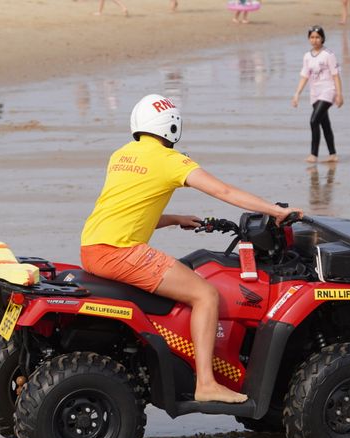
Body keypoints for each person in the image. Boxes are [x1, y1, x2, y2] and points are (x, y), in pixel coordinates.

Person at [80, 94, 301, 404]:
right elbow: (223, 191)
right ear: (172, 126)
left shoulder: (120, 155)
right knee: (206, 294)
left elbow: (126, 210)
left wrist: (174, 219)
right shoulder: (171, 161)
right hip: (121, 252)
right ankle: (206, 384)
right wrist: (275, 210)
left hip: (92, 247)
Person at [290, 26, 343, 163]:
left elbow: (336, 75)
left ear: (323, 38)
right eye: (312, 37)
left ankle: (313, 155)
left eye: (317, 37)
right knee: (325, 124)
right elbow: (304, 76)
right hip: (314, 93)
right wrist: (297, 94)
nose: (315, 40)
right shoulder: (307, 56)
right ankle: (333, 155)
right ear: (309, 39)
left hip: (328, 90)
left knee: (314, 120)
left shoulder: (328, 55)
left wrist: (339, 94)